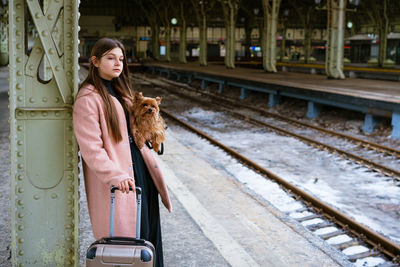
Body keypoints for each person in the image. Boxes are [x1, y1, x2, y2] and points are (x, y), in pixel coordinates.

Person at [73, 38, 172, 267]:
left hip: (141, 175)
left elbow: (133, 132)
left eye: (120, 58)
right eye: (110, 58)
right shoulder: (88, 98)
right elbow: (91, 149)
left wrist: (152, 131)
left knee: (148, 240)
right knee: (129, 244)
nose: (118, 63)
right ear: (95, 61)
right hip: (121, 180)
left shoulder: (122, 92)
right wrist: (115, 177)